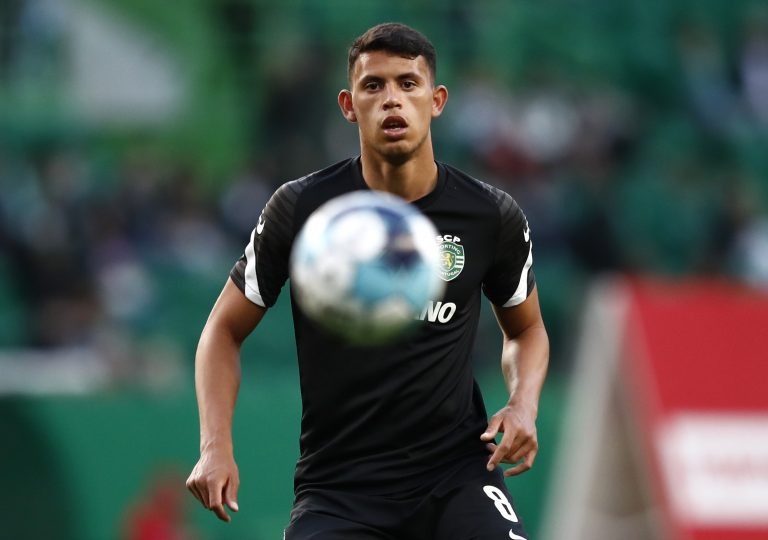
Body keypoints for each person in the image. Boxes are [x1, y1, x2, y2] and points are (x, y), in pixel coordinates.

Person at [186, 22, 549, 539]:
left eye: (408, 83)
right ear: (348, 105)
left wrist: (523, 404)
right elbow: (222, 330)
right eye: (373, 86)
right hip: (339, 491)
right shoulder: (302, 209)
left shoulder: (489, 215)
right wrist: (214, 445)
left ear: (437, 99)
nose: (392, 101)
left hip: (457, 477)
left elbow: (527, 330)